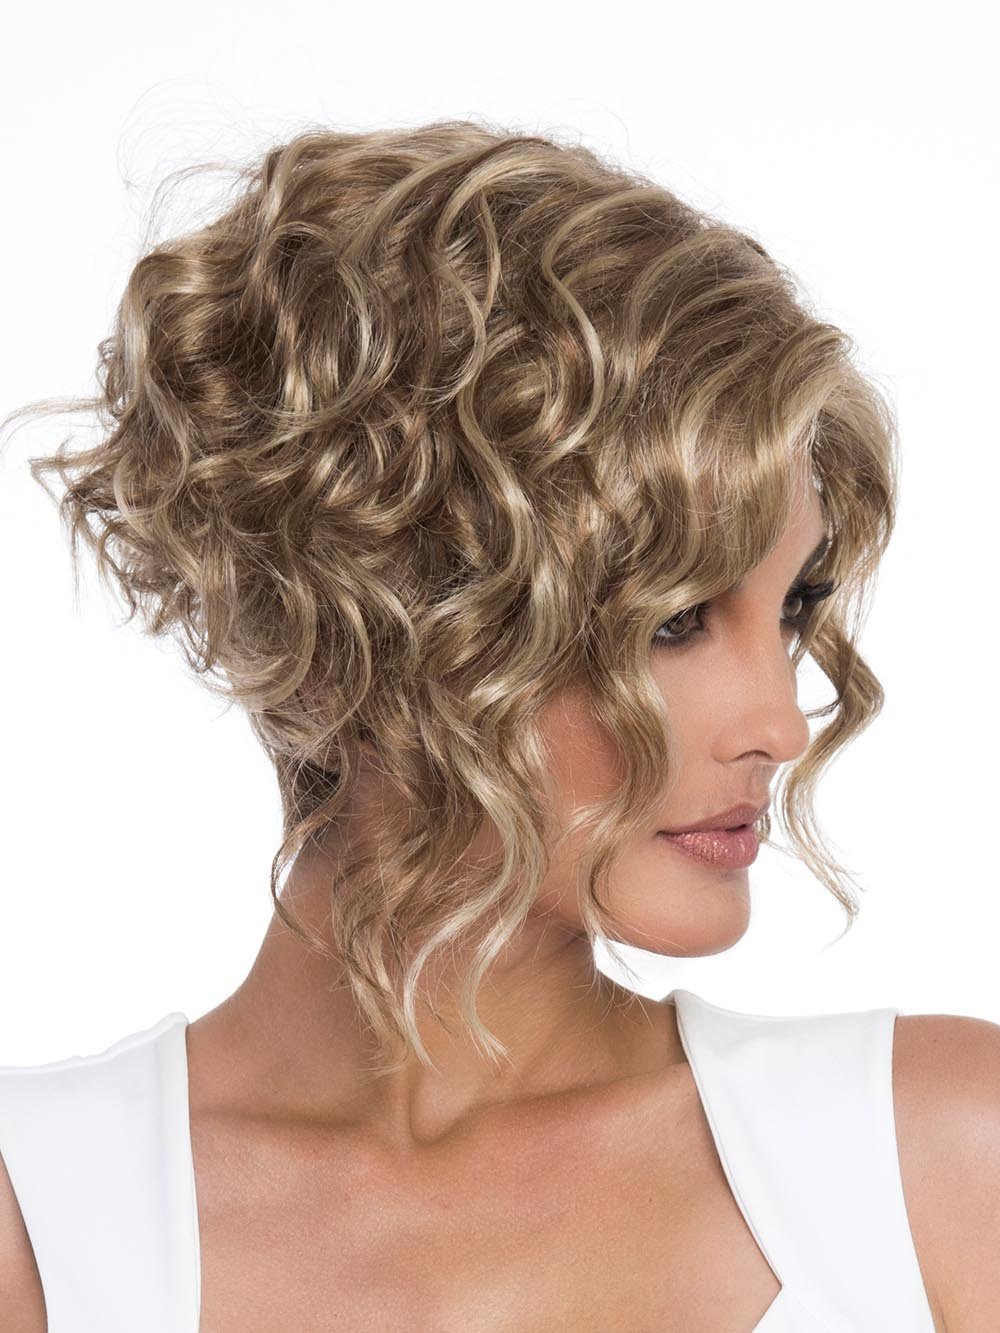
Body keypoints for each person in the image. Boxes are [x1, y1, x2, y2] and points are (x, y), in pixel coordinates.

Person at [1, 118, 996, 1332]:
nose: (781, 724)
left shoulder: (936, 1166)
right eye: (674, 619)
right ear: (380, 627)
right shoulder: (39, 1224)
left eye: (788, 607)